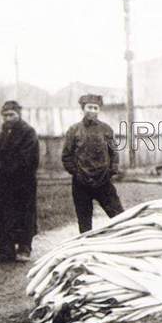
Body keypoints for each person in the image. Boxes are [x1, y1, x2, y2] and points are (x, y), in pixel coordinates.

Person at [62, 94, 124, 233]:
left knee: (120, 216)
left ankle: (127, 244)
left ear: (99, 110)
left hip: (103, 182)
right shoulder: (74, 130)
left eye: (96, 108)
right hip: (81, 184)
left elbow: (114, 153)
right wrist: (77, 173)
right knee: (84, 223)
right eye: (89, 107)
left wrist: (111, 171)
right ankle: (86, 251)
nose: (92, 111)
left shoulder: (106, 129)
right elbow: (66, 156)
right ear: (83, 109)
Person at [0, 100, 39, 262]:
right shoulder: (2, 133)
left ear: (18, 115)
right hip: (5, 182)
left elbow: (27, 158)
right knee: (5, 214)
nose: (8, 118)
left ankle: (24, 248)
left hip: (22, 181)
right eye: (5, 115)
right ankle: (6, 250)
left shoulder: (28, 132)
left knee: (24, 214)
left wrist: (7, 168)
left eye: (11, 115)